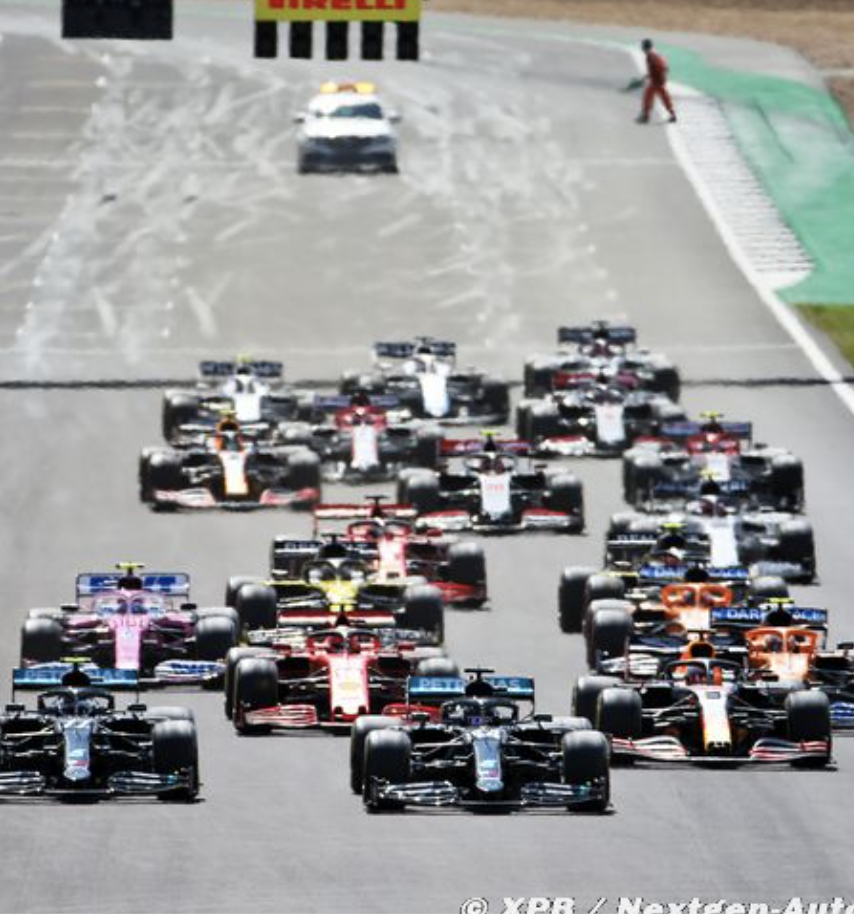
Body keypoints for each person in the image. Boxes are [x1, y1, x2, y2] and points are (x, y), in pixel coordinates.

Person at [637, 38, 677, 124]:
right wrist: (647, 76)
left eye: (642, 46)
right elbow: (660, 67)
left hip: (657, 80)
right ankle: (672, 115)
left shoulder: (650, 56)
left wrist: (658, 76)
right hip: (658, 80)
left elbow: (661, 67)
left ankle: (645, 116)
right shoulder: (652, 55)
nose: (641, 48)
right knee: (663, 97)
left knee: (648, 96)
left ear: (644, 47)